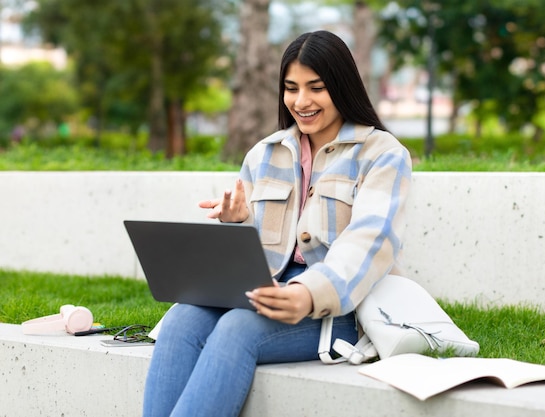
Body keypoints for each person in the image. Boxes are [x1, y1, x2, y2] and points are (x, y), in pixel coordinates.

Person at [142, 30, 412, 417]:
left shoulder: (382, 154)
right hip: (260, 295)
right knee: (182, 319)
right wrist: (239, 222)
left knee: (237, 329)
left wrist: (308, 293)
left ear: (342, 86)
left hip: (338, 312)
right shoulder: (264, 153)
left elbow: (372, 240)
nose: (301, 102)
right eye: (291, 88)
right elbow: (257, 252)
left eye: (316, 88)